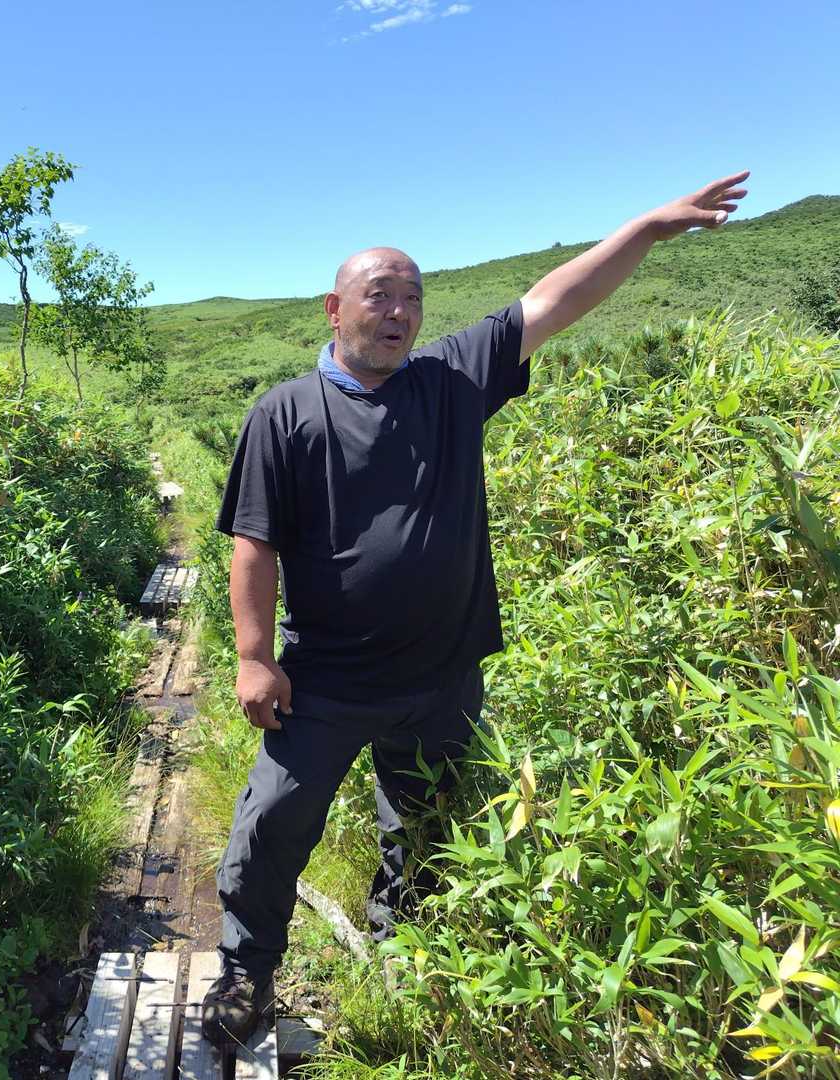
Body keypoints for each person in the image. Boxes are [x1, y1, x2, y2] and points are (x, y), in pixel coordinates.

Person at [201, 172, 750, 1046]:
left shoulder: (450, 380)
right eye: (380, 295)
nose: (400, 312)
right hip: (326, 681)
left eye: (413, 298)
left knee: (425, 827)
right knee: (272, 822)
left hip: (444, 677)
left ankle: (403, 953)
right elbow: (254, 545)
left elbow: (554, 300)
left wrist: (646, 229)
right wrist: (253, 657)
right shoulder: (286, 412)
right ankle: (246, 970)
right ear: (335, 309)